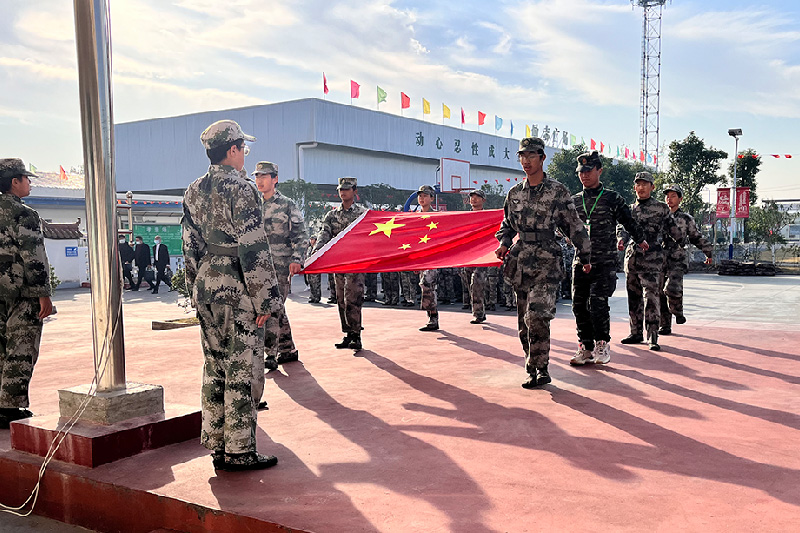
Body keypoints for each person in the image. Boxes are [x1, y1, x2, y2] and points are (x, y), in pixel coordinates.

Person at [182, 119, 283, 471]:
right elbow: (253, 247)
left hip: (206, 286)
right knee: (242, 367)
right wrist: (265, 300)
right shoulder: (242, 190)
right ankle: (239, 451)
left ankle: (217, 444)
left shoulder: (194, 189)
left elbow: (189, 244)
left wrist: (195, 289)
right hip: (238, 290)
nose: (245, 155)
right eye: (244, 149)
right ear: (233, 149)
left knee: (215, 367)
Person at [495, 138, 591, 389]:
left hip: (547, 260)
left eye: (531, 155)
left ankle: (541, 368)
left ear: (542, 158)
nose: (526, 161)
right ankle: (531, 367)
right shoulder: (514, 193)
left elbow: (573, 224)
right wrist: (504, 243)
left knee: (537, 315)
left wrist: (585, 254)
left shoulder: (557, 191)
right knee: (523, 322)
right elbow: (507, 224)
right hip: (521, 261)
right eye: (522, 156)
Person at [568, 150, 647, 367]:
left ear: (599, 171)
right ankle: (585, 347)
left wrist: (640, 238)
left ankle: (602, 344)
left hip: (604, 261)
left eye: (588, 170)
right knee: (578, 305)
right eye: (581, 172)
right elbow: (564, 225)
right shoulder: (574, 201)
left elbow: (628, 221)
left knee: (598, 303)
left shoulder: (612, 198)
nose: (584, 175)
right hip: (580, 261)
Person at [0, 158, 53, 429]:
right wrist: (43, 294)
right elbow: (34, 257)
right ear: (14, 182)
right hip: (21, 291)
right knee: (21, 348)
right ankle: (9, 408)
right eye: (26, 178)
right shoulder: (24, 214)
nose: (29, 183)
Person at [252, 161, 308, 369]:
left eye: (264, 176)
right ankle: (288, 349)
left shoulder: (287, 204)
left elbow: (301, 236)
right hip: (256, 267)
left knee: (272, 307)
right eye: (257, 176)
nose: (259, 180)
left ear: (275, 179)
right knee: (276, 308)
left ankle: (270, 354)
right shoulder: (252, 205)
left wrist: (296, 259)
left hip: (280, 266)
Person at [617, 172, 682, 351]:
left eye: (645, 184)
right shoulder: (629, 209)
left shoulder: (661, 208)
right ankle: (635, 332)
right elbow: (622, 227)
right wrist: (620, 239)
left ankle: (652, 335)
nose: (641, 187)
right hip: (632, 259)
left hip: (652, 259)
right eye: (638, 184)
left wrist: (678, 248)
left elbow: (674, 231)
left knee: (651, 298)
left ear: (652, 187)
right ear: (634, 187)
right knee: (633, 297)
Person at [314, 177, 367, 351]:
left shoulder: (363, 214)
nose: (343, 192)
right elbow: (324, 234)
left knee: (353, 299)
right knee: (341, 299)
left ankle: (356, 335)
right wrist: (315, 253)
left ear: (355, 191)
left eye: (347, 189)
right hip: (338, 264)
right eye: (340, 189)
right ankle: (348, 334)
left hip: (355, 263)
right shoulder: (332, 215)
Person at [659, 184, 713, 335]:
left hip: (677, 258)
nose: (669, 199)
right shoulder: (660, 217)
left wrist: (708, 252)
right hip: (659, 258)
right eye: (667, 196)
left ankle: (678, 311)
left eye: (673, 196)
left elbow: (696, 237)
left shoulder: (686, 219)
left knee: (672, 288)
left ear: (680, 199)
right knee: (659, 292)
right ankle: (665, 325)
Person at [461, 189, 489, 324]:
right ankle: (479, 309)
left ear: (483, 200)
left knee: (476, 282)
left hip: (483, 255)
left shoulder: (488, 216)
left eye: (477, 197)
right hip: (469, 255)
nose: (474, 199)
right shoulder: (465, 217)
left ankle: (478, 313)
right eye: (472, 197)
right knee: (469, 284)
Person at [416, 185, 441, 331]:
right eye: (420, 195)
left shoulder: (437, 216)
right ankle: (432, 316)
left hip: (433, 257)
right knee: (427, 287)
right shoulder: (414, 217)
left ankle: (433, 317)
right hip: (420, 258)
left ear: (432, 198)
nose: (422, 198)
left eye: (425, 195)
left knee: (426, 283)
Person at [305, 237, 322, 303]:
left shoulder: (317, 248)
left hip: (315, 268)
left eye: (312, 239)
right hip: (309, 268)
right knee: (311, 283)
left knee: (316, 283)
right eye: (310, 239)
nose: (311, 241)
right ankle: (312, 297)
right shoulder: (309, 248)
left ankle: (317, 297)